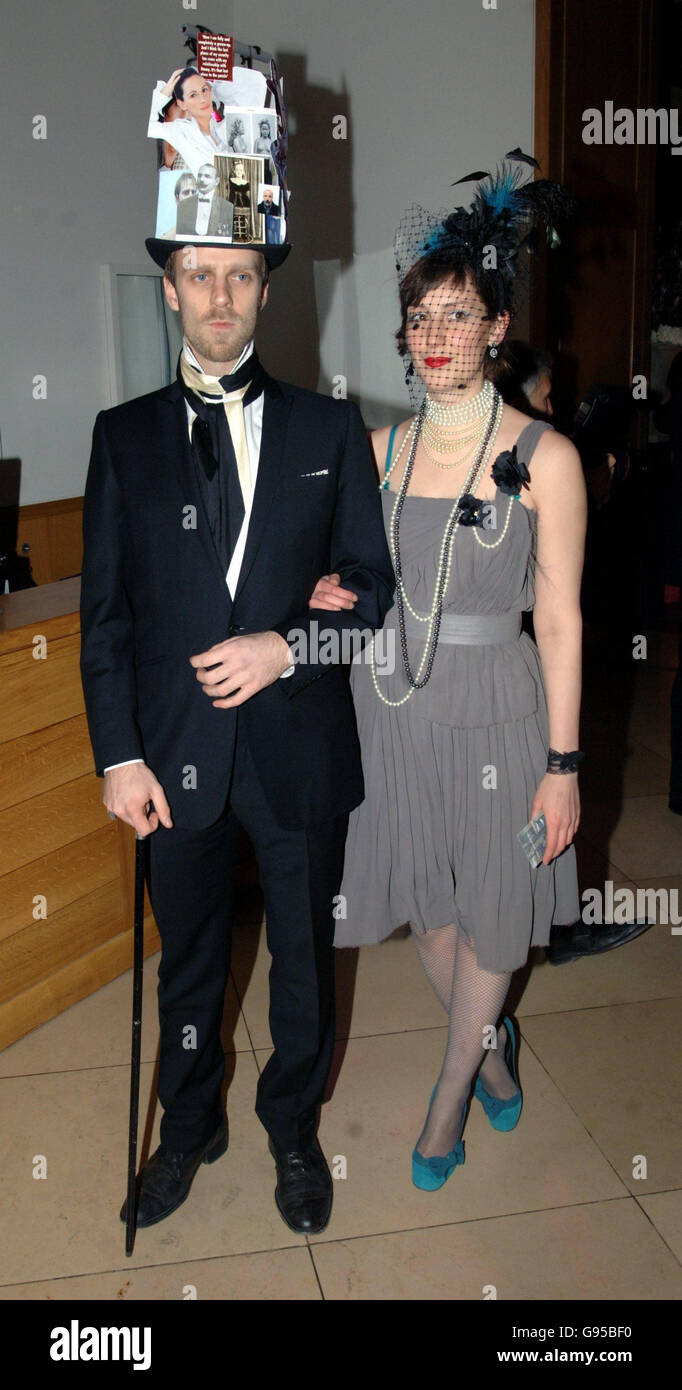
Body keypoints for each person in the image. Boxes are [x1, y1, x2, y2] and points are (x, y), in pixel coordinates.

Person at [80, 238, 394, 1233]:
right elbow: (106, 619)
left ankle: (293, 1130)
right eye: (201, 275)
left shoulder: (328, 426)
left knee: (303, 953)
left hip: (298, 746)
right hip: (171, 758)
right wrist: (118, 755)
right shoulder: (122, 437)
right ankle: (188, 1127)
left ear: (266, 289)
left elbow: (372, 593)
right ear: (170, 289)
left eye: (242, 274)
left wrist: (285, 646)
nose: (222, 295)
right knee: (190, 961)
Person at [321, 155, 586, 1188]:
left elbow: (560, 619)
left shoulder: (542, 457)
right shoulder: (377, 451)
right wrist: (333, 598)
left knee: (495, 907)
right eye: (419, 318)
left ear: (495, 328)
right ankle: (488, 1039)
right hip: (388, 711)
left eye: (457, 315)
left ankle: (449, 1089)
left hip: (497, 718)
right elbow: (363, 580)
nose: (435, 339)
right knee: (428, 905)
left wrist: (562, 764)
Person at [176, 163, 234, 238]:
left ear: (216, 181)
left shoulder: (227, 207)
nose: (202, 180)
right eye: (199, 176)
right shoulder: (183, 205)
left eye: (207, 176)